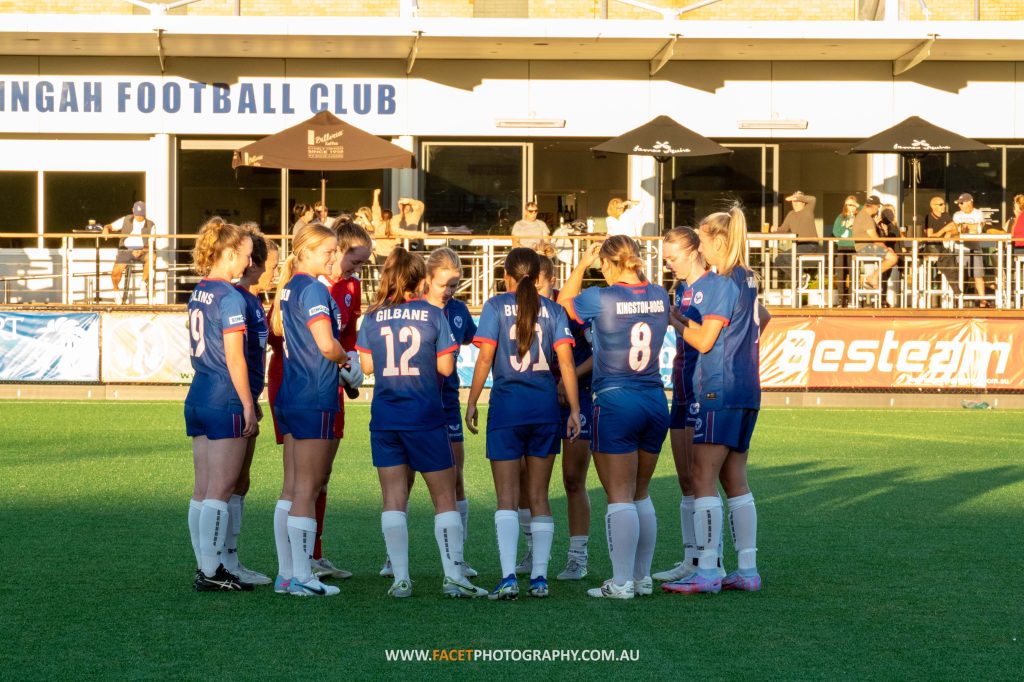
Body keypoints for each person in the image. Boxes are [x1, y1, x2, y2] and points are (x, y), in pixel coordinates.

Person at [356, 248, 489, 599]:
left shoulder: (372, 316)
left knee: (393, 500)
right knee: (445, 498)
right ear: (420, 279)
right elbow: (446, 369)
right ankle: (453, 577)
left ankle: (401, 579)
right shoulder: (432, 313)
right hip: (426, 417)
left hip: (385, 418)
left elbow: (366, 368)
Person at [557, 236, 670, 600]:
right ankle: (642, 578)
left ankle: (620, 583)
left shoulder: (601, 297)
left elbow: (562, 304)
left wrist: (580, 266)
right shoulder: (660, 294)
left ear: (606, 263)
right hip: (654, 397)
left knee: (619, 496)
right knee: (641, 494)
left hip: (615, 398)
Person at [662, 207, 766, 595]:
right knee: (735, 480)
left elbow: (705, 342)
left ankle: (706, 571)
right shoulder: (748, 276)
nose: (699, 247)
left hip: (718, 388)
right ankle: (748, 569)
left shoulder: (721, 280)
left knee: (703, 478)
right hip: (747, 388)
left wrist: (677, 321)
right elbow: (763, 318)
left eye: (702, 240)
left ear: (717, 240)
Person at [466, 247, 580, 600]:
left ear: (506, 277)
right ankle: (540, 578)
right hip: (544, 410)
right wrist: (575, 409)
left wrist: (471, 401)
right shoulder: (555, 309)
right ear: (539, 275)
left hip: (507, 409)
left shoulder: (495, 306)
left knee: (507, 497)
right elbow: (565, 362)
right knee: (539, 496)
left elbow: (485, 357)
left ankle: (508, 577)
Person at [270, 224, 346, 597]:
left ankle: (287, 575)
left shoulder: (290, 285)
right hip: (314, 395)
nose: (334, 257)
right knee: (306, 489)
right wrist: (348, 364)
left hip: (291, 393)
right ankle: (301, 575)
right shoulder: (313, 287)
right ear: (305, 251)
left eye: (335, 251)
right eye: (328, 251)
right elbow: (326, 344)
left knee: (290, 489)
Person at [185, 220, 256, 592]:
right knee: (220, 490)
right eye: (244, 256)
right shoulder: (230, 296)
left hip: (197, 393)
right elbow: (236, 358)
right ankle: (212, 572)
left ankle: (205, 566)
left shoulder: (199, 290)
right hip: (223, 396)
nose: (247, 264)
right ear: (229, 253)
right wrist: (247, 403)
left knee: (202, 489)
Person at [306, 222, 374, 581]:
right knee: (305, 477)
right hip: (309, 388)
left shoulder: (350, 286)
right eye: (355, 262)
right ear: (337, 251)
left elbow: (347, 333)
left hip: (333, 386)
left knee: (324, 474)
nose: (356, 271)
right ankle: (299, 561)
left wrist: (348, 361)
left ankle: (314, 554)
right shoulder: (311, 285)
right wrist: (342, 361)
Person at [652, 226, 714, 584]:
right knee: (684, 478)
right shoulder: (682, 289)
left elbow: (757, 318)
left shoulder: (713, 285)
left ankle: (710, 557)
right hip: (680, 384)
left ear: (693, 252)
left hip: (702, 387)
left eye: (673, 258)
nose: (669, 264)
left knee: (700, 477)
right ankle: (690, 559)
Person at [220, 223, 273, 587]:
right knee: (225, 483)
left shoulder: (254, 301)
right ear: (255, 265)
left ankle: (230, 559)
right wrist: (246, 402)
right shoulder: (238, 300)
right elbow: (235, 354)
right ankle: (222, 561)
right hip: (235, 399)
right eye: (272, 266)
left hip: (248, 395)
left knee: (240, 480)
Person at [536, 255, 594, 581]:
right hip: (540, 401)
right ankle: (535, 553)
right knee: (534, 483)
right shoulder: (525, 310)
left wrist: (568, 379)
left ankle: (577, 556)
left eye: (539, 281)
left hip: (578, 399)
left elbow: (598, 355)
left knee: (573, 480)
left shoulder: (575, 309)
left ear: (552, 279)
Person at [422, 248, 479, 578]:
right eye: (444, 284)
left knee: (456, 477)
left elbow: (479, 342)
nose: (449, 291)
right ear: (428, 280)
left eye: (455, 285)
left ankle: (458, 556)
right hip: (415, 404)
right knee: (406, 479)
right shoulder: (413, 308)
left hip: (448, 403)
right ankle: (391, 557)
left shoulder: (458, 311)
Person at [102, 200, 155, 293]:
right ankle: (116, 292)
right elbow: (110, 226)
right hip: (126, 250)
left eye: (141, 215)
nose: (139, 217)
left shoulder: (151, 225)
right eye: (137, 214)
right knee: (116, 271)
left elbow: (151, 243)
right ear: (133, 211)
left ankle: (143, 282)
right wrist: (106, 228)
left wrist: (141, 251)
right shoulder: (125, 219)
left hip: (143, 250)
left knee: (152, 257)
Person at [852, 195, 898, 298]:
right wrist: (886, 248)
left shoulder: (861, 215)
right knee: (893, 258)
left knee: (890, 253)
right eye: (878, 207)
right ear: (873, 206)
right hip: (866, 247)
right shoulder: (866, 218)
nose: (878, 210)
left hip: (863, 247)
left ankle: (872, 283)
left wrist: (886, 248)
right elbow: (875, 238)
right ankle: (873, 276)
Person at [771, 191, 818, 288]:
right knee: (778, 259)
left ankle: (800, 278)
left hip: (810, 245)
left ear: (803, 203)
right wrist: (775, 229)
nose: (795, 204)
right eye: (793, 202)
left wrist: (796, 196)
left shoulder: (807, 210)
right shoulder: (791, 214)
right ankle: (801, 277)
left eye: (797, 201)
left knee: (787, 256)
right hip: (798, 245)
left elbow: (813, 199)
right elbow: (783, 229)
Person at [921, 196, 963, 302]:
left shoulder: (946, 215)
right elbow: (930, 236)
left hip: (943, 246)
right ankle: (956, 289)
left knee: (950, 258)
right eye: (941, 204)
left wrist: (949, 232)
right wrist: (944, 230)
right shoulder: (929, 217)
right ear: (933, 206)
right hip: (932, 246)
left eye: (944, 204)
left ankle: (955, 289)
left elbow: (956, 230)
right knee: (948, 259)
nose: (943, 206)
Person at [952, 193, 990, 306]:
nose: (959, 206)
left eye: (961, 203)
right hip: (960, 249)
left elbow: (979, 228)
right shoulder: (957, 214)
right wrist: (968, 227)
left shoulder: (978, 213)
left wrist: (966, 227)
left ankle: (983, 300)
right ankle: (957, 300)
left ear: (969, 203)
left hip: (975, 248)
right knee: (960, 275)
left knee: (978, 275)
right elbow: (956, 228)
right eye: (959, 204)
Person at [371, 188, 427, 264]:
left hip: (411, 246)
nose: (405, 207)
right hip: (397, 248)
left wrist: (409, 201)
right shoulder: (393, 219)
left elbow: (420, 206)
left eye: (407, 205)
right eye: (402, 205)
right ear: (399, 205)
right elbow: (377, 215)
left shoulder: (414, 216)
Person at [832, 196, 859, 307]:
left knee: (853, 275)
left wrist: (857, 206)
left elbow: (865, 210)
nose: (850, 207)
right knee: (841, 275)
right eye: (848, 204)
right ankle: (841, 301)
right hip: (842, 247)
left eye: (852, 204)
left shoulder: (859, 217)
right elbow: (835, 232)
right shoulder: (840, 217)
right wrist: (846, 227)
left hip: (854, 248)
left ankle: (852, 300)